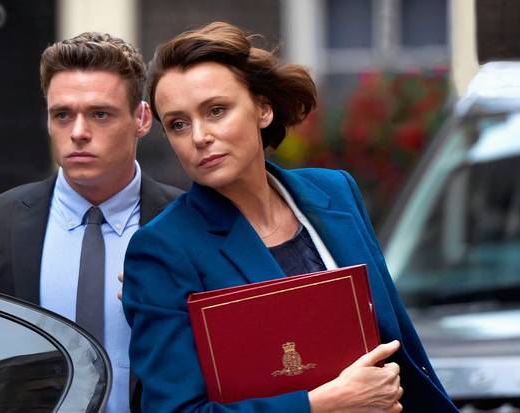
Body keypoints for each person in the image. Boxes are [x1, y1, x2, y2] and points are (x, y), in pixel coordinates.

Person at [121, 22, 458, 412]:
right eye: (179, 124)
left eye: (216, 111)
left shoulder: (335, 193)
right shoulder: (162, 250)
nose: (199, 136)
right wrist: (317, 405)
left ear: (263, 108)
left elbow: (400, 342)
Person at [0, 32, 182, 413]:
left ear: (141, 118)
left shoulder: (187, 224)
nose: (79, 132)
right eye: (62, 114)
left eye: (100, 114)